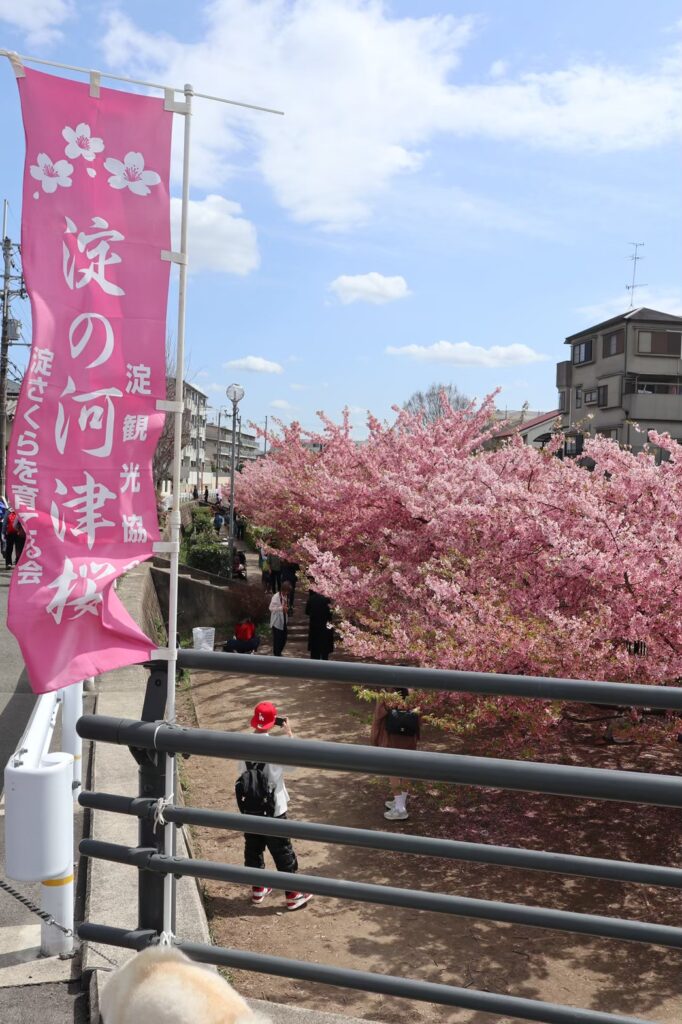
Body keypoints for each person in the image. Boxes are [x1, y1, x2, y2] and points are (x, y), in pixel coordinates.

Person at [236, 701, 312, 911]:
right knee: (282, 849)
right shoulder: (276, 746)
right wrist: (289, 736)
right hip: (273, 807)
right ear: (273, 722)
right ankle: (293, 894)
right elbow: (293, 768)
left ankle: (258, 888)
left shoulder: (241, 743)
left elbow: (241, 771)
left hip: (250, 806)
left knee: (253, 847)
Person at [370, 687, 420, 821]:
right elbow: (419, 716)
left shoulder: (387, 694)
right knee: (407, 769)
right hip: (410, 737)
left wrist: (374, 738)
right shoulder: (413, 693)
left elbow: (378, 716)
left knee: (393, 770)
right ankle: (400, 802)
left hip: (392, 736)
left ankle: (400, 808)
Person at [305, 588, 334, 660]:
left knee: (315, 650)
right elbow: (330, 613)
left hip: (314, 626)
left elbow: (307, 612)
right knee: (325, 648)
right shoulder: (326, 599)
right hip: (325, 626)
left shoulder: (311, 599)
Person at [269, 581, 291, 656]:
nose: (287, 593)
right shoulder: (276, 596)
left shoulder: (285, 596)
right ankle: (277, 655)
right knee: (277, 641)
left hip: (283, 620)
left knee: (284, 639)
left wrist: (286, 609)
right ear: (283, 589)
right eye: (286, 591)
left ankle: (278, 653)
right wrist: (281, 608)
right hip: (276, 622)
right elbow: (271, 608)